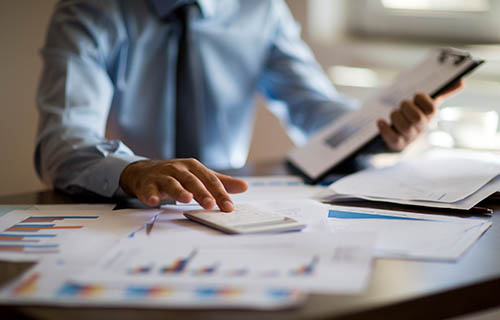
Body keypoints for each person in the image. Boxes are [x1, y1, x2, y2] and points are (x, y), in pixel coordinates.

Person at [35, 0, 462, 212]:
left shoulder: (262, 9)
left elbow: (313, 108)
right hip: (129, 208)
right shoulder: (88, 11)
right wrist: (133, 170)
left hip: (229, 209)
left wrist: (381, 130)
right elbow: (63, 141)